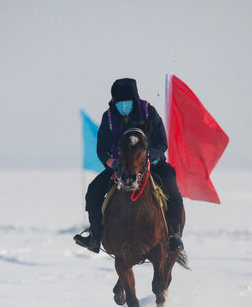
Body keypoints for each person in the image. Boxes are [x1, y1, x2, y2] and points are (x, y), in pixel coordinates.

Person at [74, 78, 184, 254]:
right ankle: (95, 237)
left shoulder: (149, 112)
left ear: (135, 100)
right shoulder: (108, 116)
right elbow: (102, 148)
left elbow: (163, 143)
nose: (123, 106)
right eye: (119, 103)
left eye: (126, 103)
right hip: (121, 166)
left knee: (172, 187)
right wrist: (110, 161)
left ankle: (174, 234)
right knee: (93, 190)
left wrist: (147, 156)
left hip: (153, 164)